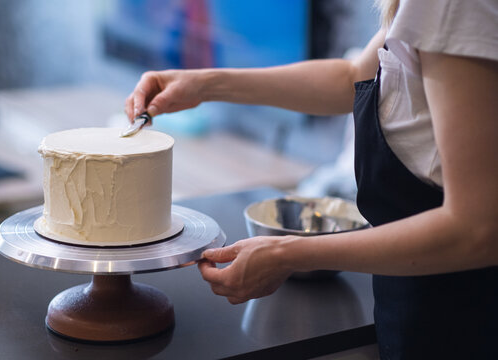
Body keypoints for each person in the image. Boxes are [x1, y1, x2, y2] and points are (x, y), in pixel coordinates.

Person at [125, 0, 498, 358]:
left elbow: (478, 228)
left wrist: (288, 254)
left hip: (465, 320)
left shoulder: (453, 5)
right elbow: (353, 77)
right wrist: (204, 84)